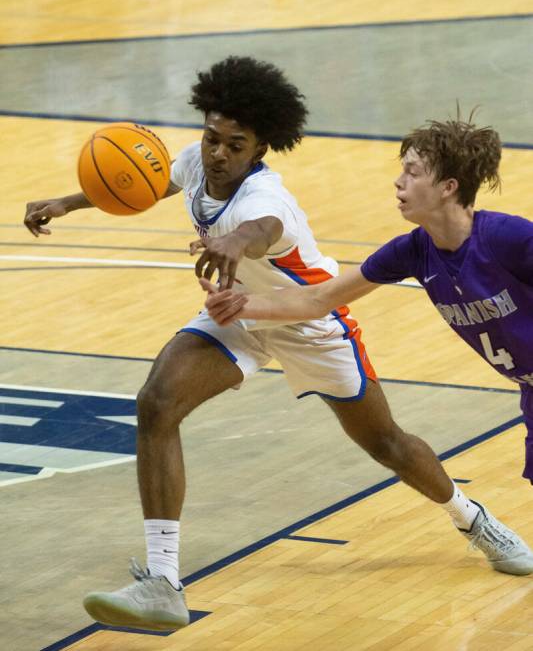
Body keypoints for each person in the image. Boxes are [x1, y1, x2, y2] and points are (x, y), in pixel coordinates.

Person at [24, 71, 532, 635]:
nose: (218, 153)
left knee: (387, 444)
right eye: (213, 137)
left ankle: (472, 518)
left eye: (234, 146)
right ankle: (162, 583)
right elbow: (146, 181)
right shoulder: (197, 160)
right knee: (157, 402)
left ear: (260, 148)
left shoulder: (268, 199)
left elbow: (261, 232)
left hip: (311, 322)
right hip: (240, 313)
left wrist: (233, 242)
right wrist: (69, 202)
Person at [202, 113, 533, 488]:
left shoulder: (508, 239)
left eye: (413, 172)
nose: (398, 180)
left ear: (447, 187)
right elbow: (319, 299)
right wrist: (242, 306)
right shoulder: (412, 252)